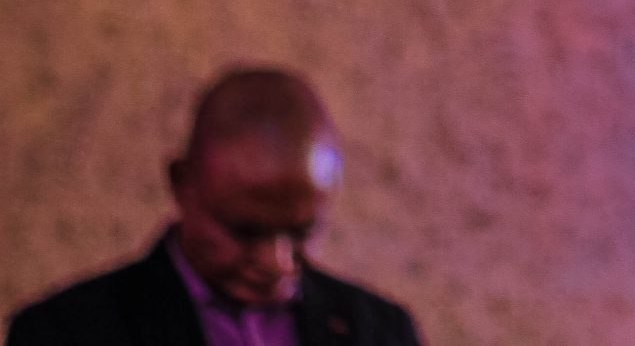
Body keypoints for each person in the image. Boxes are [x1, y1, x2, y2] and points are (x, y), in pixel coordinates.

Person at [6, 68, 421, 346]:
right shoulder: (67, 332)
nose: (276, 262)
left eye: (301, 232)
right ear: (181, 184)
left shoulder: (381, 331)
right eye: (245, 231)